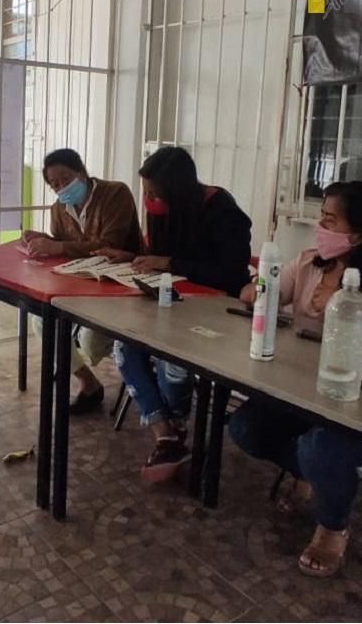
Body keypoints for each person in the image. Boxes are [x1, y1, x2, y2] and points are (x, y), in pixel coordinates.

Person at [229, 181, 362, 577]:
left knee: (322, 449)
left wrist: (352, 309)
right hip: (305, 389)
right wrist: (261, 288)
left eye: (330, 220)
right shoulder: (311, 262)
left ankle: (332, 526)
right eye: (321, 216)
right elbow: (256, 293)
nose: (319, 227)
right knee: (245, 427)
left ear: (361, 234)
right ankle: (311, 476)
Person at [95, 146, 251, 483]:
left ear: (177, 190)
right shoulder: (164, 210)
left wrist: (169, 263)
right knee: (125, 347)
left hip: (216, 310)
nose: (149, 200)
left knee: (171, 359)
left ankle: (176, 423)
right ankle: (165, 433)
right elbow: (158, 255)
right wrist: (131, 258)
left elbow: (229, 274)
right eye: (146, 193)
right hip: (171, 304)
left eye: (154, 193)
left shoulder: (223, 212)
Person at [23, 148, 143, 413]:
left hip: (121, 286)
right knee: (41, 319)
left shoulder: (115, 193)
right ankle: (88, 382)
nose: (61, 188)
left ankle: (72, 357)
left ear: (82, 172)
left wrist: (58, 247)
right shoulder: (59, 208)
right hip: (80, 285)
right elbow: (65, 246)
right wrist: (43, 240)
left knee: (90, 340)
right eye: (54, 185)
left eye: (66, 179)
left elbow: (108, 245)